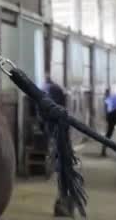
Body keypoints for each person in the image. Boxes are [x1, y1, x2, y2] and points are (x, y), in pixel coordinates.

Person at [42, 75, 75, 218]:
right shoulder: (54, 90)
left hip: (56, 128)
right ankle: (64, 203)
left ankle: (63, 203)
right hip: (60, 128)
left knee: (63, 165)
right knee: (64, 165)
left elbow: (44, 111)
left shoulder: (46, 90)